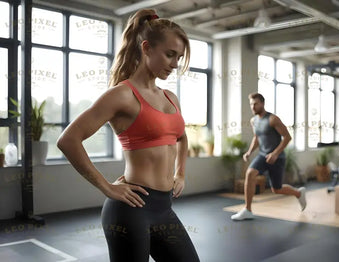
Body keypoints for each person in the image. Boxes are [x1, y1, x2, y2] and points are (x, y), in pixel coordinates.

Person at [57, 9, 199, 262]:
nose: (175, 64)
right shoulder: (121, 95)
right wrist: (107, 187)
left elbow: (181, 137)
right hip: (131, 209)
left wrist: (181, 173)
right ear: (146, 48)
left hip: (164, 208)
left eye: (178, 57)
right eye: (169, 55)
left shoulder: (170, 98)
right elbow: (68, 139)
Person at [231, 93, 307, 221]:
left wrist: (275, 153)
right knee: (250, 173)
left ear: (262, 103)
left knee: (276, 189)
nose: (253, 107)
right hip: (263, 155)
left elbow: (287, 137)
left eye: (255, 104)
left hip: (277, 157)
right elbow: (257, 138)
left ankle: (298, 193)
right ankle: (247, 210)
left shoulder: (273, 119)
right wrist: (249, 152)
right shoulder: (253, 121)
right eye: (251, 104)